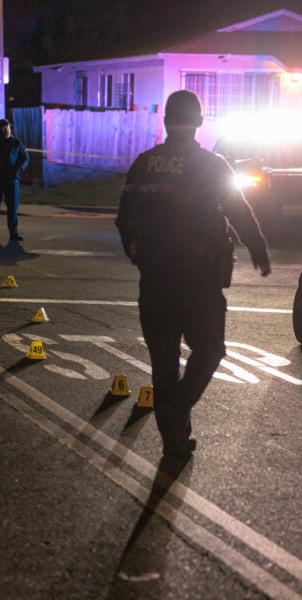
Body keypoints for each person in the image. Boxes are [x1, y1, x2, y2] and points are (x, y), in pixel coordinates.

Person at [116, 90, 271, 459]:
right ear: (199, 122)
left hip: (154, 280)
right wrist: (258, 248)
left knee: (164, 363)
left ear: (167, 121)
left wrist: (137, 256)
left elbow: (124, 217)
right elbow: (239, 209)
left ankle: (174, 438)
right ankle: (178, 409)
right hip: (198, 280)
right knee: (211, 349)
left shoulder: (143, 163)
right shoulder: (210, 164)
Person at [0, 118, 30, 242]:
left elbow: (25, 158)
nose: (6, 129)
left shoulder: (16, 143)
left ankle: (14, 234)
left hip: (12, 180)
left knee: (12, 208)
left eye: (7, 127)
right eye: (3, 127)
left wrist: (18, 169)